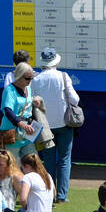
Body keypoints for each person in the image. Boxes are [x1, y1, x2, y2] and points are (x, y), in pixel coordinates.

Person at [28, 47, 80, 202]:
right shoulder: (63, 76)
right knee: (65, 159)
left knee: (49, 160)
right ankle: (62, 196)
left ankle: (50, 193)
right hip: (64, 124)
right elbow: (75, 99)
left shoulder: (35, 80)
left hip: (44, 126)